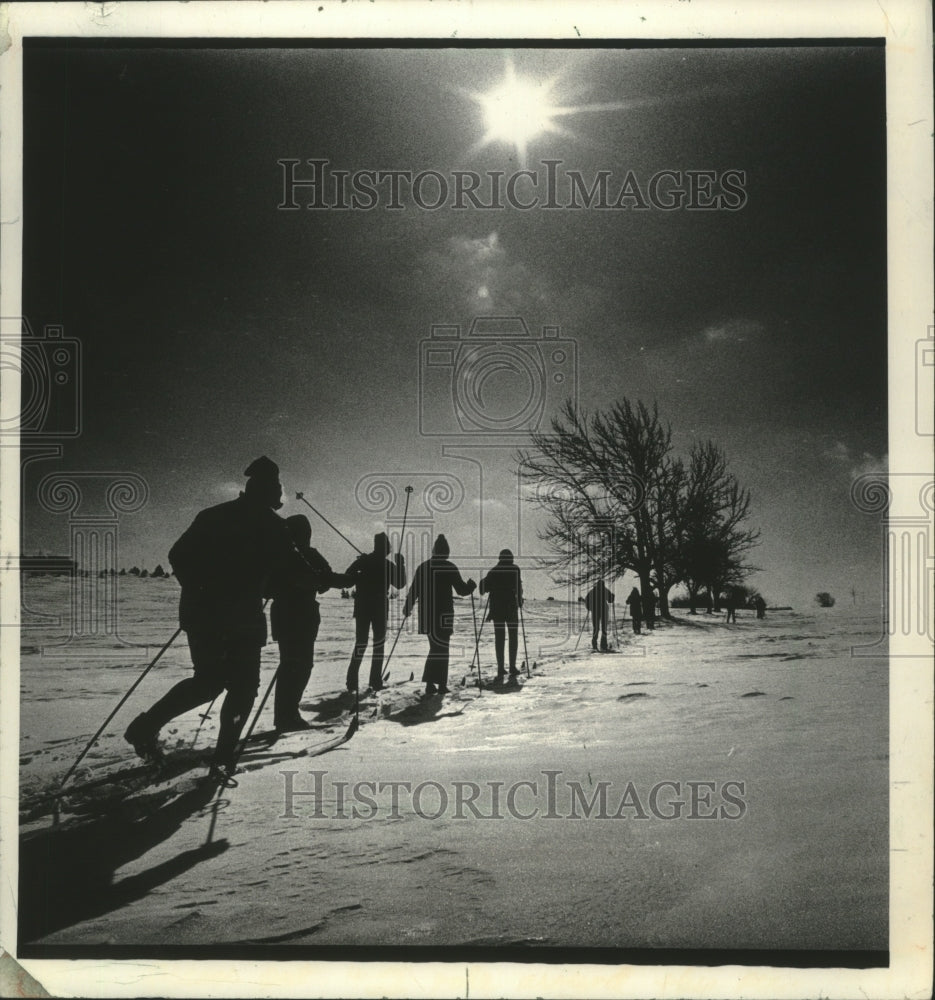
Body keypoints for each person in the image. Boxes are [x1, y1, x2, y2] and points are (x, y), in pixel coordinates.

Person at [124, 457, 317, 785]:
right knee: (242, 688)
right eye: (277, 488)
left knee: (209, 681)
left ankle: (144, 728)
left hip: (203, 615)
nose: (280, 494)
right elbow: (294, 572)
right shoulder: (273, 526)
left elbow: (178, 557)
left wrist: (203, 590)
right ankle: (224, 759)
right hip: (237, 618)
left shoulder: (214, 515)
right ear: (268, 489)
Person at [269, 515, 350, 731]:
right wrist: (353, 578)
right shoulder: (300, 555)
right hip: (299, 615)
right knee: (300, 665)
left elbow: (324, 579)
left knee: (291, 664)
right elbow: (328, 579)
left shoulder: (283, 554)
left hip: (285, 615)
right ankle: (287, 715)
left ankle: (285, 714)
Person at [402, 534, 476, 696]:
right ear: (446, 552)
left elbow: (414, 590)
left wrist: (407, 607)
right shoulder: (449, 567)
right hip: (444, 614)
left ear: (434, 550)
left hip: (427, 615)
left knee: (436, 647)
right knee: (441, 648)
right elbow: (462, 590)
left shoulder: (423, 567)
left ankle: (432, 684)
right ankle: (438, 684)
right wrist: (471, 586)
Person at [344, 532, 406, 692]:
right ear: (384, 547)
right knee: (378, 643)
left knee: (361, 642)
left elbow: (347, 577)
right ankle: (375, 680)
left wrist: (360, 567)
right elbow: (400, 584)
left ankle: (352, 681)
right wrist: (401, 565)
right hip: (379, 606)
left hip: (363, 605)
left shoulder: (364, 561)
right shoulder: (388, 565)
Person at [480, 549, 523, 681]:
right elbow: (519, 587)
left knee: (500, 638)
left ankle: (500, 667)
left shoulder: (494, 571)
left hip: (497, 609)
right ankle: (512, 666)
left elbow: (483, 589)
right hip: (510, 608)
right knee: (513, 637)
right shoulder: (515, 569)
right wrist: (520, 601)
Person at [585, 580, 615, 651]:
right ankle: (603, 645)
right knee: (603, 628)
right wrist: (612, 596)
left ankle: (594, 645)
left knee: (596, 628)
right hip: (603, 611)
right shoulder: (605, 590)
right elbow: (610, 600)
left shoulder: (592, 591)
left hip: (595, 611)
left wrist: (589, 607)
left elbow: (587, 600)